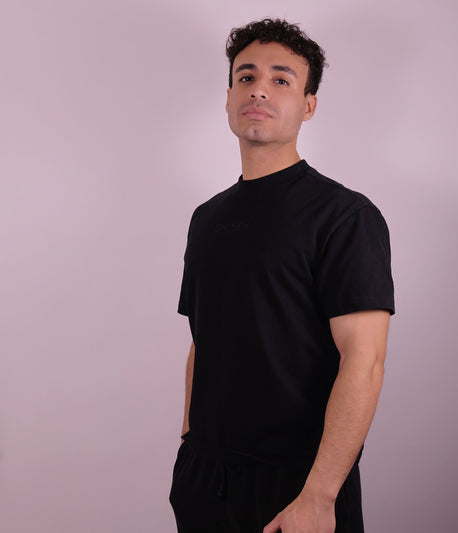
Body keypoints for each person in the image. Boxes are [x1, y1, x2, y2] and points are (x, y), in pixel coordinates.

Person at [169, 18, 395, 533]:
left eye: (281, 79)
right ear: (229, 98)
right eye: (246, 77)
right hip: (204, 479)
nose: (259, 90)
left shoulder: (345, 216)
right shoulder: (207, 217)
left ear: (308, 106)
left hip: (297, 485)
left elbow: (365, 360)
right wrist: (188, 444)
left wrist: (319, 496)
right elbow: (204, 339)